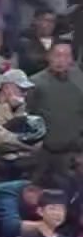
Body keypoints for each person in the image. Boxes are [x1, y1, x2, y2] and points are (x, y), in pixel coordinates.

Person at [29, 39, 83, 176]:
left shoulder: (80, 81)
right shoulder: (35, 83)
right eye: (57, 55)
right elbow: (28, 114)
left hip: (74, 150)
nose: (61, 60)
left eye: (66, 56)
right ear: (48, 57)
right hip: (44, 151)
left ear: (71, 59)